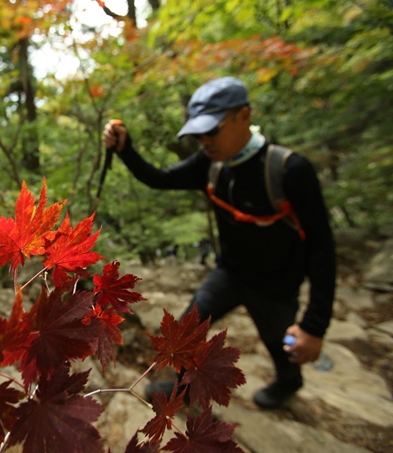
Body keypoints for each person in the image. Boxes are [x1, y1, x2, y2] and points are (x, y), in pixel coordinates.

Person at [102, 76, 336, 409]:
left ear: (244, 115)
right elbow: (160, 178)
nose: (204, 141)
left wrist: (314, 325)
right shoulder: (209, 164)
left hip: (277, 285)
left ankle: (288, 382)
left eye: (211, 131)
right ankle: (182, 390)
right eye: (198, 133)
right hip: (230, 273)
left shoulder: (289, 170)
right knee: (186, 330)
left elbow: (322, 247)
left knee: (279, 343)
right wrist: (126, 149)